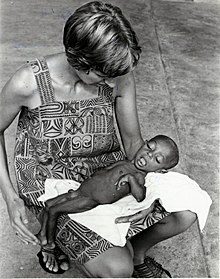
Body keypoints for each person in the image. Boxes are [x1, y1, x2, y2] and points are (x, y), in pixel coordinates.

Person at [0, 1, 197, 278]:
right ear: (82, 62)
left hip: (107, 173)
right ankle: (72, 245)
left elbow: (132, 142)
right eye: (105, 76)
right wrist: (10, 199)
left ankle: (135, 252)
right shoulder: (28, 82)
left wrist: (150, 196)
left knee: (184, 211)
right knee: (118, 269)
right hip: (50, 182)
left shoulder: (118, 75)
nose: (113, 82)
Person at [37, 134, 179, 257]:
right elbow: (104, 172)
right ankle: (43, 233)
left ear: (160, 171)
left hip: (90, 199)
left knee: (54, 210)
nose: (149, 154)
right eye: (149, 146)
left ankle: (49, 243)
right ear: (144, 143)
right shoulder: (126, 162)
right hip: (80, 190)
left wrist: (130, 179)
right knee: (49, 204)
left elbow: (140, 196)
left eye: (157, 159)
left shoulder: (138, 176)